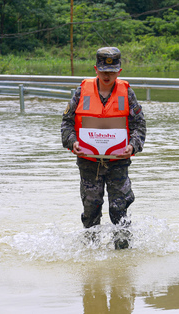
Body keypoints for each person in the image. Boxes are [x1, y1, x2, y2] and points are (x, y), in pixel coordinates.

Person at [61, 47, 146, 249]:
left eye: (112, 71)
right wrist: (72, 142)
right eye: (103, 71)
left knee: (119, 210)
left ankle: (123, 258)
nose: (107, 75)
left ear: (119, 71)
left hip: (118, 163)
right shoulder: (82, 91)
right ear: (95, 69)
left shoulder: (127, 93)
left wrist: (133, 145)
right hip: (89, 163)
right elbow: (67, 123)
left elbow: (139, 125)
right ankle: (91, 256)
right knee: (91, 210)